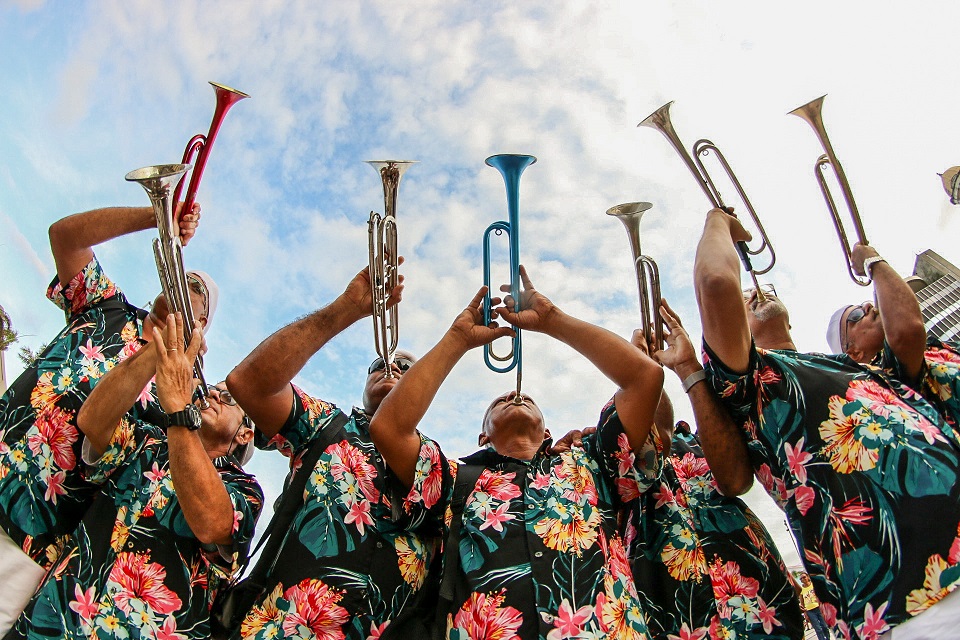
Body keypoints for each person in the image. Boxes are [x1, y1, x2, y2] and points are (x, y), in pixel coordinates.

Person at [694, 207, 960, 638]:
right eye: (743, 303)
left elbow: (908, 330)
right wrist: (718, 221)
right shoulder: (748, 383)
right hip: (912, 598)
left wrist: (872, 260)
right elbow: (717, 283)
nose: (754, 295)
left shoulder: (857, 366)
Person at [369, 267, 665, 639]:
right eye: (498, 401)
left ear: (548, 432)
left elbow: (646, 378)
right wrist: (458, 338)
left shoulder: (590, 462)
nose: (513, 394)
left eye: (526, 399)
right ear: (482, 436)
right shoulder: (454, 478)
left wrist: (554, 321)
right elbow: (388, 428)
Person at [0, 202, 205, 633]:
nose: (188, 289)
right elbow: (64, 235)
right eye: (185, 279)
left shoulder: (180, 393)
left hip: (28, 539)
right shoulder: (106, 305)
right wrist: (157, 217)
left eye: (199, 298)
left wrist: (168, 353)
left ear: (201, 326)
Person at [224, 264, 449, 640]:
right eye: (378, 364)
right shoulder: (324, 425)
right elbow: (249, 383)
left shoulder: (443, 472)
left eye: (406, 367)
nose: (390, 365)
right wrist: (346, 308)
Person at [6, 313, 263, 639]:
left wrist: (179, 408)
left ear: (244, 435)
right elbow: (93, 421)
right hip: (52, 623)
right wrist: (158, 352)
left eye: (227, 399)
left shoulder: (245, 489)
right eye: (214, 390)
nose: (213, 396)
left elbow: (212, 522)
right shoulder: (150, 443)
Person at [630, 301, 804, 639]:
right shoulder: (610, 460)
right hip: (679, 618)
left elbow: (737, 480)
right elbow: (655, 435)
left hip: (762, 603)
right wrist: (639, 374)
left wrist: (686, 369)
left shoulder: (697, 442)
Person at [825, 244, 960, 438]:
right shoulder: (885, 379)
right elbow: (905, 331)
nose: (868, 307)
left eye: (862, 304)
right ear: (854, 353)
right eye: (856, 314)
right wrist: (871, 261)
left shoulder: (930, 347)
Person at [795, 571, 833, 640]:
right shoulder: (802, 590)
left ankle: (827, 638)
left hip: (818, 608)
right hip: (810, 611)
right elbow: (802, 602)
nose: (803, 579)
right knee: (818, 628)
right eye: (801, 579)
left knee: (824, 626)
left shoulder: (813, 585)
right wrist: (805, 613)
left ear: (808, 577)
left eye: (804, 577)